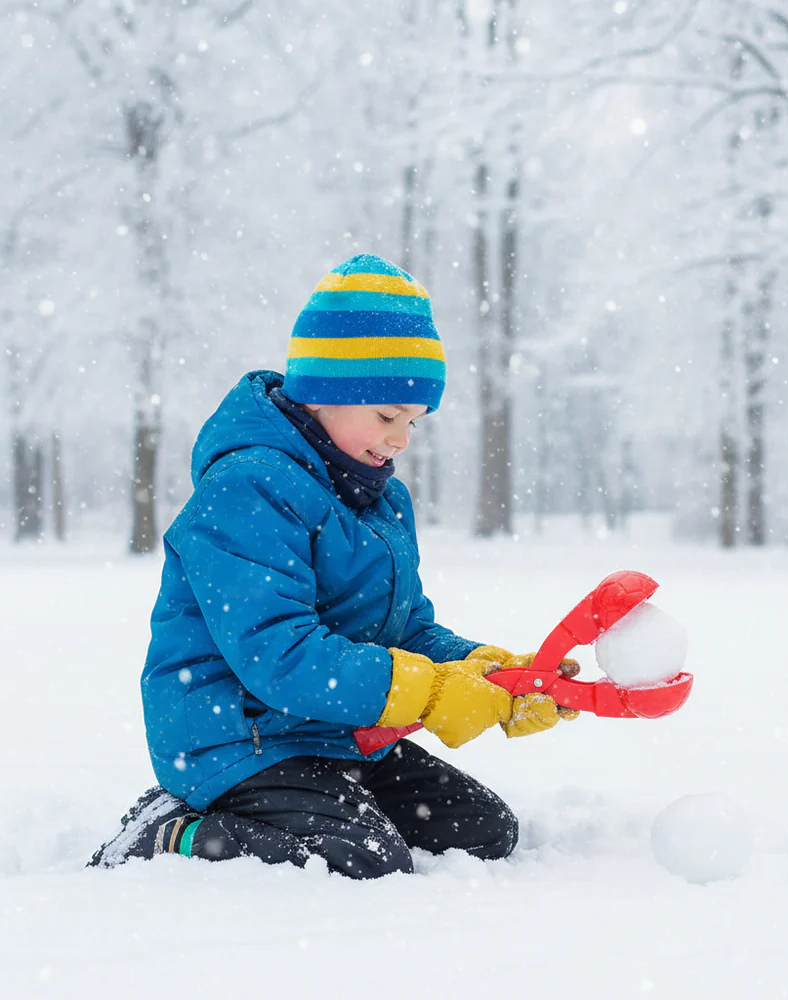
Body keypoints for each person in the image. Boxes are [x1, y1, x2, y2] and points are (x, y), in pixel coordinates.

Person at [89, 253, 577, 878]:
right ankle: (172, 832)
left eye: (413, 422)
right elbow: (280, 655)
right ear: (325, 392)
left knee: (482, 832)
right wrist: (427, 693)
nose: (400, 439)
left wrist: (494, 675)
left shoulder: (377, 499)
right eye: (386, 416)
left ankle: (309, 802)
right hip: (240, 740)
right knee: (362, 860)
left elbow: (406, 633)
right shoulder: (249, 488)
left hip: (335, 732)